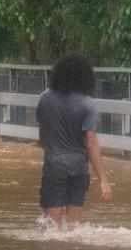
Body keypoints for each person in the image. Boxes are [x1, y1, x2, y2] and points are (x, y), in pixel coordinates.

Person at [37, 54, 112, 229]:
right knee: (73, 226)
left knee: (51, 225)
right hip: (79, 166)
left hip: (54, 163)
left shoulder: (45, 98)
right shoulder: (88, 104)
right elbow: (91, 143)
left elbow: (42, 133)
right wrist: (103, 180)